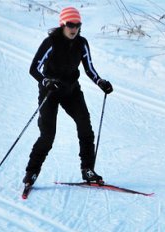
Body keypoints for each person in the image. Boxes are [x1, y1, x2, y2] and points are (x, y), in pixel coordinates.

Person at [23, 6, 114, 188]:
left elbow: (89, 68)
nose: (74, 28)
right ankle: (31, 173)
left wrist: (100, 82)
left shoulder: (82, 43)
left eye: (77, 25)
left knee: (85, 127)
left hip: (71, 91)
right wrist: (46, 81)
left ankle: (87, 169)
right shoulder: (51, 42)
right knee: (48, 135)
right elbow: (34, 69)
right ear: (63, 25)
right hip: (50, 92)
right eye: (70, 24)